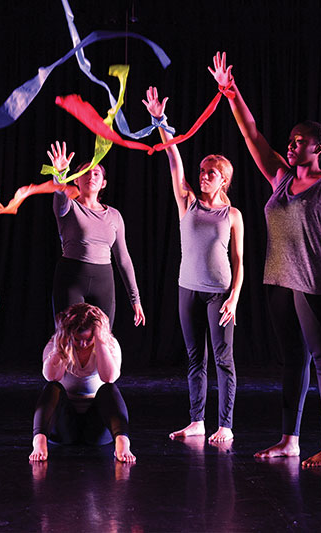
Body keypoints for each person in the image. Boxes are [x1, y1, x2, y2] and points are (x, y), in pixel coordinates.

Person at [209, 52, 321, 467]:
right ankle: (290, 440)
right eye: (289, 140)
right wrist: (231, 92)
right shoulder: (280, 178)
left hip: (316, 283)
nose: (291, 145)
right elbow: (252, 133)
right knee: (293, 361)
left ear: (317, 147)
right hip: (279, 281)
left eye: (299, 141)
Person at [143, 86, 244, 443]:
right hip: (188, 289)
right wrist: (161, 122)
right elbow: (174, 159)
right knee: (194, 358)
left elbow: (239, 261)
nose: (203, 175)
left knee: (223, 360)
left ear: (224, 179)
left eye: (211, 172)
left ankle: (225, 425)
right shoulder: (187, 201)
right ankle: (197, 421)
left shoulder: (232, 215)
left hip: (219, 294)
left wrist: (234, 298)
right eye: (202, 170)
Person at [46, 141, 146, 328]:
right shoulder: (68, 207)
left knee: (102, 338)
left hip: (103, 281)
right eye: (85, 172)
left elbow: (123, 259)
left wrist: (136, 299)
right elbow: (59, 193)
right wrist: (59, 174)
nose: (91, 176)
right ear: (76, 179)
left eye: (96, 173)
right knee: (69, 337)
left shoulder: (114, 216)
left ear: (103, 183)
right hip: (71, 278)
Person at [29, 303, 136, 463]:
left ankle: (123, 443)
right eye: (77, 340)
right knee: (52, 387)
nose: (83, 344)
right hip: (65, 425)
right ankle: (39, 442)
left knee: (109, 389)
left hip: (96, 426)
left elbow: (109, 377)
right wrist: (63, 344)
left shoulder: (110, 345)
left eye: (88, 339)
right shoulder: (56, 344)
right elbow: (51, 376)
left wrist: (99, 340)